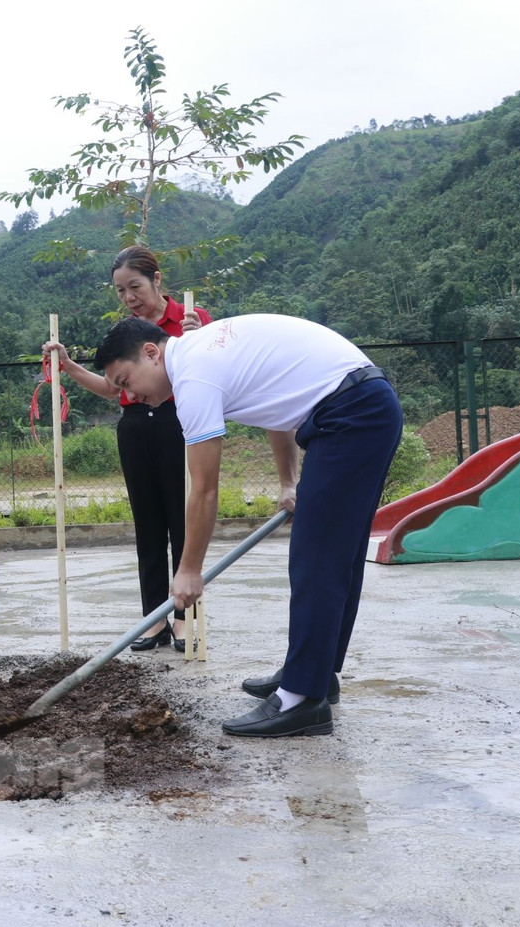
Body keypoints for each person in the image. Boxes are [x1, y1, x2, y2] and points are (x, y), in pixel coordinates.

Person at [95, 314, 402, 737]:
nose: (131, 394)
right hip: (358, 406)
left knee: (317, 561)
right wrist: (289, 482)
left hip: (351, 415)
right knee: (337, 558)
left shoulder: (194, 378)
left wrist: (188, 570)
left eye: (126, 380)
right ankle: (317, 675)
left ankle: (302, 700)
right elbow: (278, 409)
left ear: (151, 352)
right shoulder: (204, 354)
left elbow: (203, 490)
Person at [43, 246, 211, 652]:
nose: (129, 297)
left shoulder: (191, 318)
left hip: (179, 420)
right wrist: (68, 366)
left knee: (181, 517)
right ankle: (153, 617)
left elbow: (207, 370)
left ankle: (185, 616)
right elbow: (111, 387)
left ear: (156, 279)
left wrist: (195, 340)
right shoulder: (127, 333)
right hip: (135, 427)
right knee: (147, 523)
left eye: (134, 286)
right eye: (120, 291)